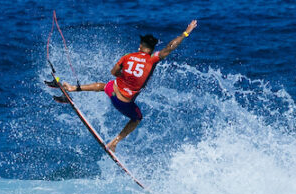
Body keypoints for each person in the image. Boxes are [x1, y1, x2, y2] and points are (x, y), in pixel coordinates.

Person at [50, 20, 198, 152]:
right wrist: (186, 32)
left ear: (140, 46)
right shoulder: (153, 59)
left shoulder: (127, 56)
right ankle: (114, 143)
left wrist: (125, 76)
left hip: (112, 91)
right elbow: (170, 47)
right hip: (124, 102)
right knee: (137, 118)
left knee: (103, 85)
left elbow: (113, 72)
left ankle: (73, 88)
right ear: (152, 49)